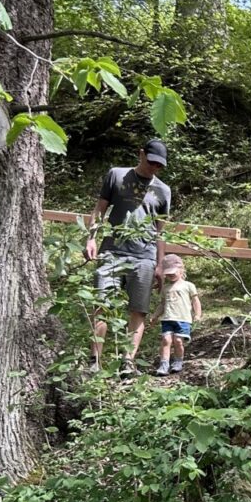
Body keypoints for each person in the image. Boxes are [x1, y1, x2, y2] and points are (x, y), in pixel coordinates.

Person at [86, 138, 171, 375]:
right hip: (112, 251)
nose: (154, 168)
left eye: (160, 166)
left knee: (138, 309)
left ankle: (127, 363)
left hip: (144, 256)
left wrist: (160, 265)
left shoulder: (163, 190)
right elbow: (99, 211)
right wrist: (91, 238)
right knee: (101, 304)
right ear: (141, 154)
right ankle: (95, 361)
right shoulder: (117, 175)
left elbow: (160, 231)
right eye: (152, 162)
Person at [152, 255, 201, 376]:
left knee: (178, 341)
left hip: (183, 318)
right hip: (168, 318)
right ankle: (164, 364)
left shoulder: (188, 285)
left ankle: (178, 361)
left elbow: (195, 300)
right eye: (168, 274)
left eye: (173, 273)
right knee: (166, 340)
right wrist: (155, 315)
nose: (170, 275)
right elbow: (162, 304)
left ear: (181, 270)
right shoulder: (165, 288)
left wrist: (198, 314)